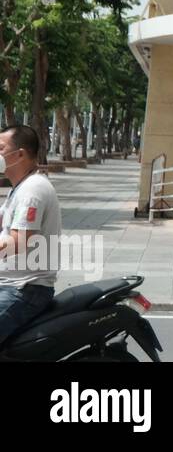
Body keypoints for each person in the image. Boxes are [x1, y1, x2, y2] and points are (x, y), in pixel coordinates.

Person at [0, 125, 62, 343]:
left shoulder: (32, 190)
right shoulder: (20, 187)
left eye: (0, 148)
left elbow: (19, 242)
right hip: (12, 285)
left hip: (25, 290)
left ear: (19, 155)